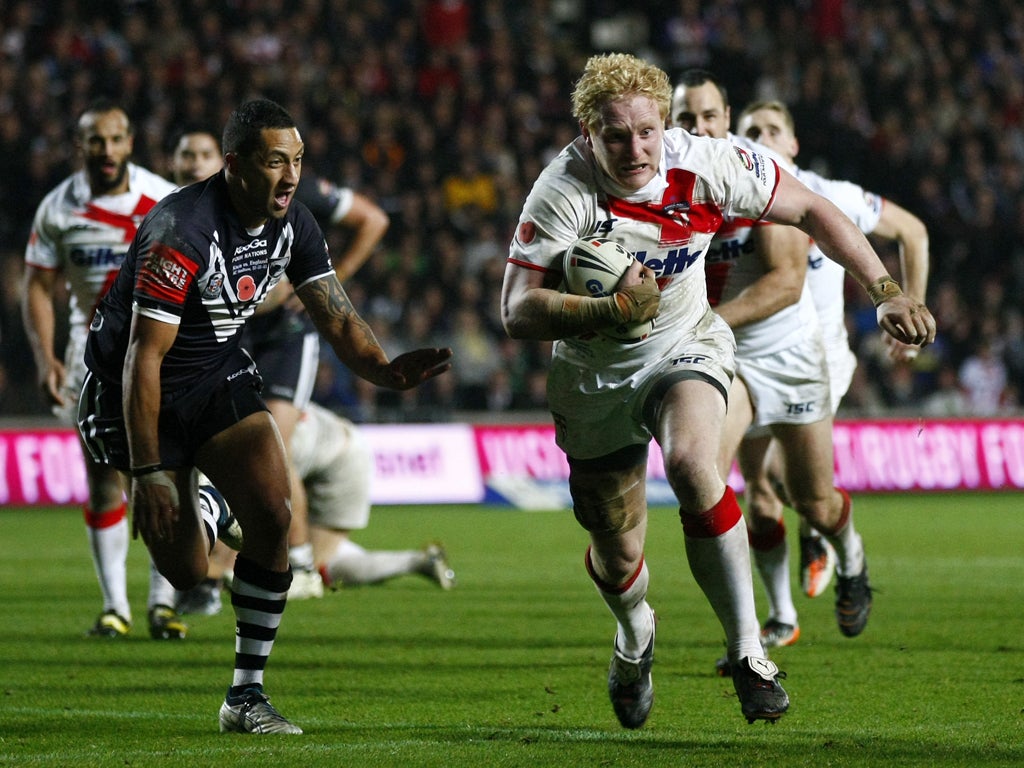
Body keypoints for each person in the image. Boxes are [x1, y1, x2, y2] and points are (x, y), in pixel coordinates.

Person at [501, 53, 934, 729]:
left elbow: (815, 210)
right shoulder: (563, 191)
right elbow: (517, 310)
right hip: (595, 373)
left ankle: (749, 654)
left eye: (647, 131)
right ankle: (634, 633)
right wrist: (608, 312)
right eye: (616, 135)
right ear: (588, 131)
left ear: (664, 125)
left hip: (684, 344)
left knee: (695, 464)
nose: (635, 149)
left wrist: (883, 290)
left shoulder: (709, 163)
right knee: (616, 546)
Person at [77, 99, 452, 734]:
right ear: (234, 166)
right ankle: (198, 505)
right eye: (275, 161)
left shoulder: (294, 224)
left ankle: (244, 697)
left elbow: (335, 315)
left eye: (298, 161)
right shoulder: (181, 230)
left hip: (214, 378)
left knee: (276, 514)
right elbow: (144, 359)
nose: (291, 176)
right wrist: (147, 471)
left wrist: (385, 371)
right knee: (190, 572)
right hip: (132, 394)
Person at [670, 70, 876, 655]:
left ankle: (851, 556)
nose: (699, 128)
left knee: (813, 500)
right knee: (705, 475)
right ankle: (753, 632)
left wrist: (704, 322)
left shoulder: (752, 173)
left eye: (709, 116)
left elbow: (787, 283)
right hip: (729, 359)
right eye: (686, 119)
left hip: (788, 354)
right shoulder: (664, 182)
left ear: (727, 116)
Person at [733, 97, 930, 628]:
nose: (761, 135)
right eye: (750, 128)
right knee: (759, 491)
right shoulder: (728, 200)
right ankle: (780, 617)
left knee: (790, 487)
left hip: (817, 361)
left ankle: (830, 537)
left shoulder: (831, 197)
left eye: (773, 128)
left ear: (792, 144)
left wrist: (910, 306)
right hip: (749, 359)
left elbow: (913, 232)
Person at [21, 100, 187, 641]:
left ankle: (164, 604)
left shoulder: (162, 199)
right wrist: (44, 354)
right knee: (101, 482)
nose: (107, 150)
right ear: (80, 146)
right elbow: (38, 287)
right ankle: (115, 607)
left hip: (159, 356)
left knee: (168, 473)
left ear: (130, 142)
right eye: (96, 141)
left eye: (115, 139)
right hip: (88, 359)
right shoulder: (57, 209)